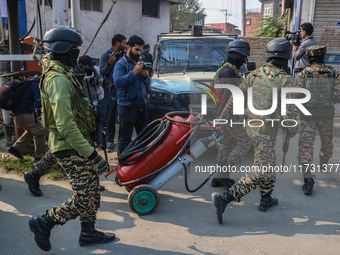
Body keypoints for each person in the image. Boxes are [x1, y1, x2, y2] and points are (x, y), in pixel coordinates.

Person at [28, 27, 115, 251]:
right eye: (75, 49)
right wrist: (93, 156)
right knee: (84, 197)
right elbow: (65, 125)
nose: (78, 54)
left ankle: (88, 233)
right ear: (64, 49)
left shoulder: (66, 71)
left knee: (92, 191)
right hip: (69, 147)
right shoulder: (59, 80)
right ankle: (44, 223)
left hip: (79, 143)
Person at [211, 38, 298, 224]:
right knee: (262, 167)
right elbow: (290, 112)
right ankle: (225, 198)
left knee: (268, 163)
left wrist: (223, 119)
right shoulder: (285, 80)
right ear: (286, 57)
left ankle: (266, 199)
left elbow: (235, 98)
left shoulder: (254, 74)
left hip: (251, 127)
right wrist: (292, 130)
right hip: (266, 131)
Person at [296, 45, 340, 195]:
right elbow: (339, 94)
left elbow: (297, 95)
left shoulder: (303, 74)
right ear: (323, 57)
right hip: (327, 115)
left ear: (309, 58)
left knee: (306, 146)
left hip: (308, 116)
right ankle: (324, 161)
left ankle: (308, 179)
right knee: (327, 142)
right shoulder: (333, 73)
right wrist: (327, 100)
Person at [211, 39, 252, 189]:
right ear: (237, 55)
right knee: (245, 142)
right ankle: (223, 173)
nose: (244, 60)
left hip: (225, 116)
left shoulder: (227, 69)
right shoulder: (228, 72)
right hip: (228, 117)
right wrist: (222, 121)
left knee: (227, 145)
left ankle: (219, 177)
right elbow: (225, 97)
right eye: (243, 57)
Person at [113, 35, 151, 155]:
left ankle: (142, 165)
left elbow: (149, 84)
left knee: (144, 139)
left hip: (141, 105)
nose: (139, 53)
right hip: (126, 107)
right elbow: (118, 82)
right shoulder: (121, 64)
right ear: (128, 47)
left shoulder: (140, 62)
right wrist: (133, 73)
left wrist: (145, 77)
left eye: (140, 50)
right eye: (136, 50)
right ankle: (123, 166)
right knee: (124, 140)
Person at [7, 77, 48, 161]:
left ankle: (15, 148)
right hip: (24, 112)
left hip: (17, 112)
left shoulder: (28, 83)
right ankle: (39, 156)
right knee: (40, 132)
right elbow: (39, 101)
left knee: (31, 131)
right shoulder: (36, 84)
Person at [99, 34, 127, 153]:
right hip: (109, 91)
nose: (125, 46)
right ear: (117, 43)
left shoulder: (125, 55)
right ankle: (109, 141)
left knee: (123, 117)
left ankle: (123, 141)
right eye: (124, 43)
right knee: (110, 117)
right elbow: (102, 72)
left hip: (121, 89)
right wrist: (110, 63)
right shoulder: (106, 55)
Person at [79, 55, 105, 148]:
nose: (91, 67)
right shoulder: (79, 74)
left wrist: (98, 81)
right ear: (83, 66)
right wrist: (84, 82)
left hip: (99, 96)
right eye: (89, 66)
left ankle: (101, 141)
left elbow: (102, 81)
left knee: (101, 119)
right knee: (89, 121)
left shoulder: (96, 70)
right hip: (87, 100)